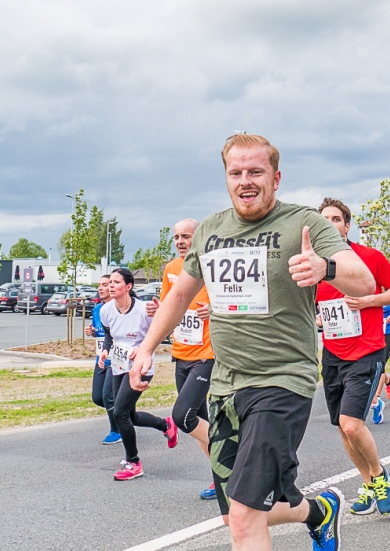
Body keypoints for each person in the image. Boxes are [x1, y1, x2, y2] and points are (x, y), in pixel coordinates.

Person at [129, 133, 374, 551]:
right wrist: (147, 347)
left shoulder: (304, 223)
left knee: (243, 518)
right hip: (226, 387)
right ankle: (320, 511)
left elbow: (363, 279)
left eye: (256, 171)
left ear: (275, 178)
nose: (246, 180)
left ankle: (313, 511)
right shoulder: (210, 230)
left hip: (282, 382)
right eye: (236, 172)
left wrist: (324, 266)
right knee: (236, 514)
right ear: (226, 178)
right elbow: (181, 295)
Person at [315, 197, 390, 516]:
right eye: (324, 219)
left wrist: (370, 300)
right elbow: (311, 308)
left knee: (351, 424)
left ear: (346, 224)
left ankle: (379, 477)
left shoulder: (368, 257)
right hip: (332, 355)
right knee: (343, 429)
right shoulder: (316, 266)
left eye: (336, 219)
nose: (330, 224)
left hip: (367, 351)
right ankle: (368, 483)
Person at [100, 267, 175, 481]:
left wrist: (142, 348)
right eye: (109, 282)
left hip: (141, 366)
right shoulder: (106, 310)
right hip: (119, 364)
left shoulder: (144, 310)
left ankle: (133, 461)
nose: (110, 286)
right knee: (129, 415)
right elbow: (108, 334)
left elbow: (162, 332)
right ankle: (165, 425)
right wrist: (106, 349)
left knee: (119, 413)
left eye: (116, 282)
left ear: (129, 286)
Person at [161, 218, 217, 499]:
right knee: (200, 422)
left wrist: (215, 311)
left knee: (184, 416)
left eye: (186, 236)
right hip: (180, 355)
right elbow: (168, 306)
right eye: (176, 237)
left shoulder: (212, 266)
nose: (180, 241)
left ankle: (233, 461)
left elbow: (236, 302)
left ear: (199, 237)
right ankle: (220, 478)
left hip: (207, 355)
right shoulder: (171, 269)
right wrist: (154, 314)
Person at [85, 274, 121, 444]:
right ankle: (124, 412)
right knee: (97, 398)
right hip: (100, 356)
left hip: (115, 358)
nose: (100, 288)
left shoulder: (118, 308)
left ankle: (117, 430)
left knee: (108, 396)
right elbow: (101, 333)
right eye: (99, 285)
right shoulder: (97, 309)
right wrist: (92, 332)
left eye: (104, 284)